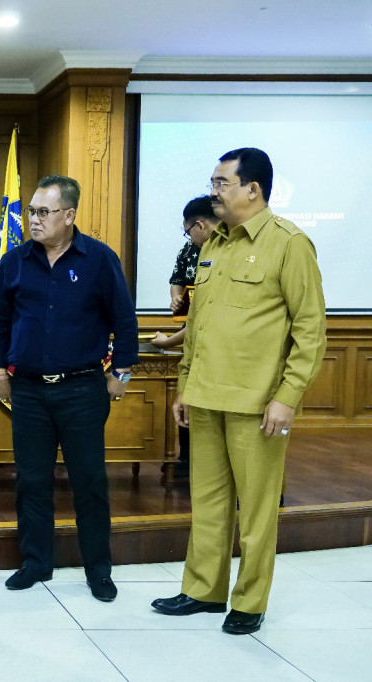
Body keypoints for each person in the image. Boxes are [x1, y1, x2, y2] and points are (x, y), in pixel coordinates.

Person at [151, 148, 326, 635]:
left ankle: (249, 601)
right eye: (212, 182)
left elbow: (310, 329)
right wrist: (185, 384)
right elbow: (200, 322)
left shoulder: (289, 244)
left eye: (222, 183)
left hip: (256, 404)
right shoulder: (213, 245)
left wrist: (287, 396)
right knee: (206, 503)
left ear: (254, 188)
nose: (214, 192)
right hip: (205, 398)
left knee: (255, 509)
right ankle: (202, 590)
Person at [0, 174, 138, 602]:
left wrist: (120, 376)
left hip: (83, 391)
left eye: (43, 212)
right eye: (30, 211)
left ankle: (99, 570)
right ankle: (35, 563)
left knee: (89, 481)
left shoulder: (100, 260)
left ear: (69, 215)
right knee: (31, 480)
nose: (33, 219)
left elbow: (124, 322)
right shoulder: (15, 262)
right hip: (29, 391)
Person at [151, 196, 219, 478]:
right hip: (191, 340)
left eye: (188, 229)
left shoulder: (227, 252)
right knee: (188, 402)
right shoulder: (190, 249)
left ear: (200, 224)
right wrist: (176, 299)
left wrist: (168, 342)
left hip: (214, 345)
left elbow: (206, 317)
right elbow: (177, 281)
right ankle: (188, 464)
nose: (188, 235)